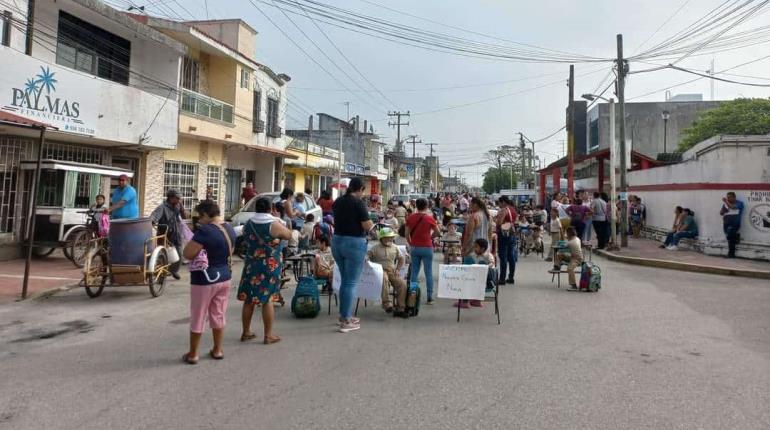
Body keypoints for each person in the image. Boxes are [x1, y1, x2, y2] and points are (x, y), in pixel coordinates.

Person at [181, 200, 237, 364]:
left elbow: (188, 253)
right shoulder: (229, 229)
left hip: (204, 279)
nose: (199, 220)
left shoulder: (205, 232)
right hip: (224, 277)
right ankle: (217, 350)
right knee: (218, 314)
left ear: (206, 214)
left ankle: (193, 354)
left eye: (200, 216)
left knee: (198, 315)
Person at [238, 197, 293, 344]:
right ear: (270, 208)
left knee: (249, 299)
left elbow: (244, 235)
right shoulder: (273, 224)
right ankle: (268, 335)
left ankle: (246, 332)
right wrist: (278, 219)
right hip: (269, 266)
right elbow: (288, 234)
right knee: (267, 299)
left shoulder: (249, 223)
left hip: (251, 264)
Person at [332, 177, 373, 333]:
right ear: (361, 189)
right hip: (354, 243)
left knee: (345, 280)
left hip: (337, 241)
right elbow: (367, 225)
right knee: (350, 282)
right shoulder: (358, 203)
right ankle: (346, 321)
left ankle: (344, 315)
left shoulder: (338, 201)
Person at [407, 198, 442, 305]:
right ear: (427, 206)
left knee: (414, 272)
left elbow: (406, 234)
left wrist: (411, 243)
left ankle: (412, 295)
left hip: (415, 247)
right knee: (428, 272)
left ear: (416, 206)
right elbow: (438, 232)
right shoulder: (429, 218)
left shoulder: (410, 218)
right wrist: (430, 237)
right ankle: (429, 297)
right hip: (427, 247)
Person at [368, 227, 408, 318]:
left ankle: (401, 308)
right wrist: (366, 258)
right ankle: (387, 304)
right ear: (381, 238)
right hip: (379, 271)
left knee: (402, 284)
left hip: (391, 271)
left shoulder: (395, 247)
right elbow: (367, 256)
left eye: (391, 237)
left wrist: (398, 269)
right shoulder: (375, 248)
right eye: (387, 237)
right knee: (384, 279)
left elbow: (401, 259)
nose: (389, 239)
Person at [150, 189, 187, 280]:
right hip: (165, 235)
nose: (179, 200)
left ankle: (173, 271)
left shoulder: (177, 206)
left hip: (176, 234)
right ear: (170, 198)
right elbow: (153, 217)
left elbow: (185, 217)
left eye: (179, 198)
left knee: (179, 255)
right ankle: (160, 274)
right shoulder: (162, 207)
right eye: (177, 198)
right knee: (163, 256)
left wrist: (182, 208)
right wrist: (152, 221)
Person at [456, 238, 497, 309]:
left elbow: (492, 264)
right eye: (474, 246)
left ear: (483, 249)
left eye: (476, 247)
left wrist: (484, 267)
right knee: (466, 277)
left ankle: (465, 302)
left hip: (487, 281)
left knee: (469, 281)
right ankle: (476, 300)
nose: (474, 248)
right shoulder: (473, 255)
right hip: (476, 279)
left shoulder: (488, 256)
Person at [494, 196, 517, 285]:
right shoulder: (513, 209)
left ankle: (502, 279)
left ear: (503, 202)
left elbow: (499, 222)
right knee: (511, 256)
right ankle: (511, 277)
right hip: (511, 233)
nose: (498, 205)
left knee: (503, 256)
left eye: (499, 203)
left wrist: (496, 219)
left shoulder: (504, 210)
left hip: (503, 234)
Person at [553, 226, 583, 291]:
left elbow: (562, 245)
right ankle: (557, 266)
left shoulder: (571, 242)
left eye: (567, 233)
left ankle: (573, 285)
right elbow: (566, 239)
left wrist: (563, 236)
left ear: (569, 234)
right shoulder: (577, 238)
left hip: (577, 259)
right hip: (573, 256)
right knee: (560, 255)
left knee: (570, 268)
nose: (566, 234)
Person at [720, 192, 744, 258]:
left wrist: (726, 201)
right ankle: (736, 236)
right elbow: (721, 213)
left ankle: (731, 254)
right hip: (726, 223)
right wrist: (724, 210)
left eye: (729, 197)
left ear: (734, 197)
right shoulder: (726, 204)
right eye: (727, 197)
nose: (728, 198)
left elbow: (733, 207)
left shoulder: (739, 203)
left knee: (730, 237)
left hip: (735, 223)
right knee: (729, 237)